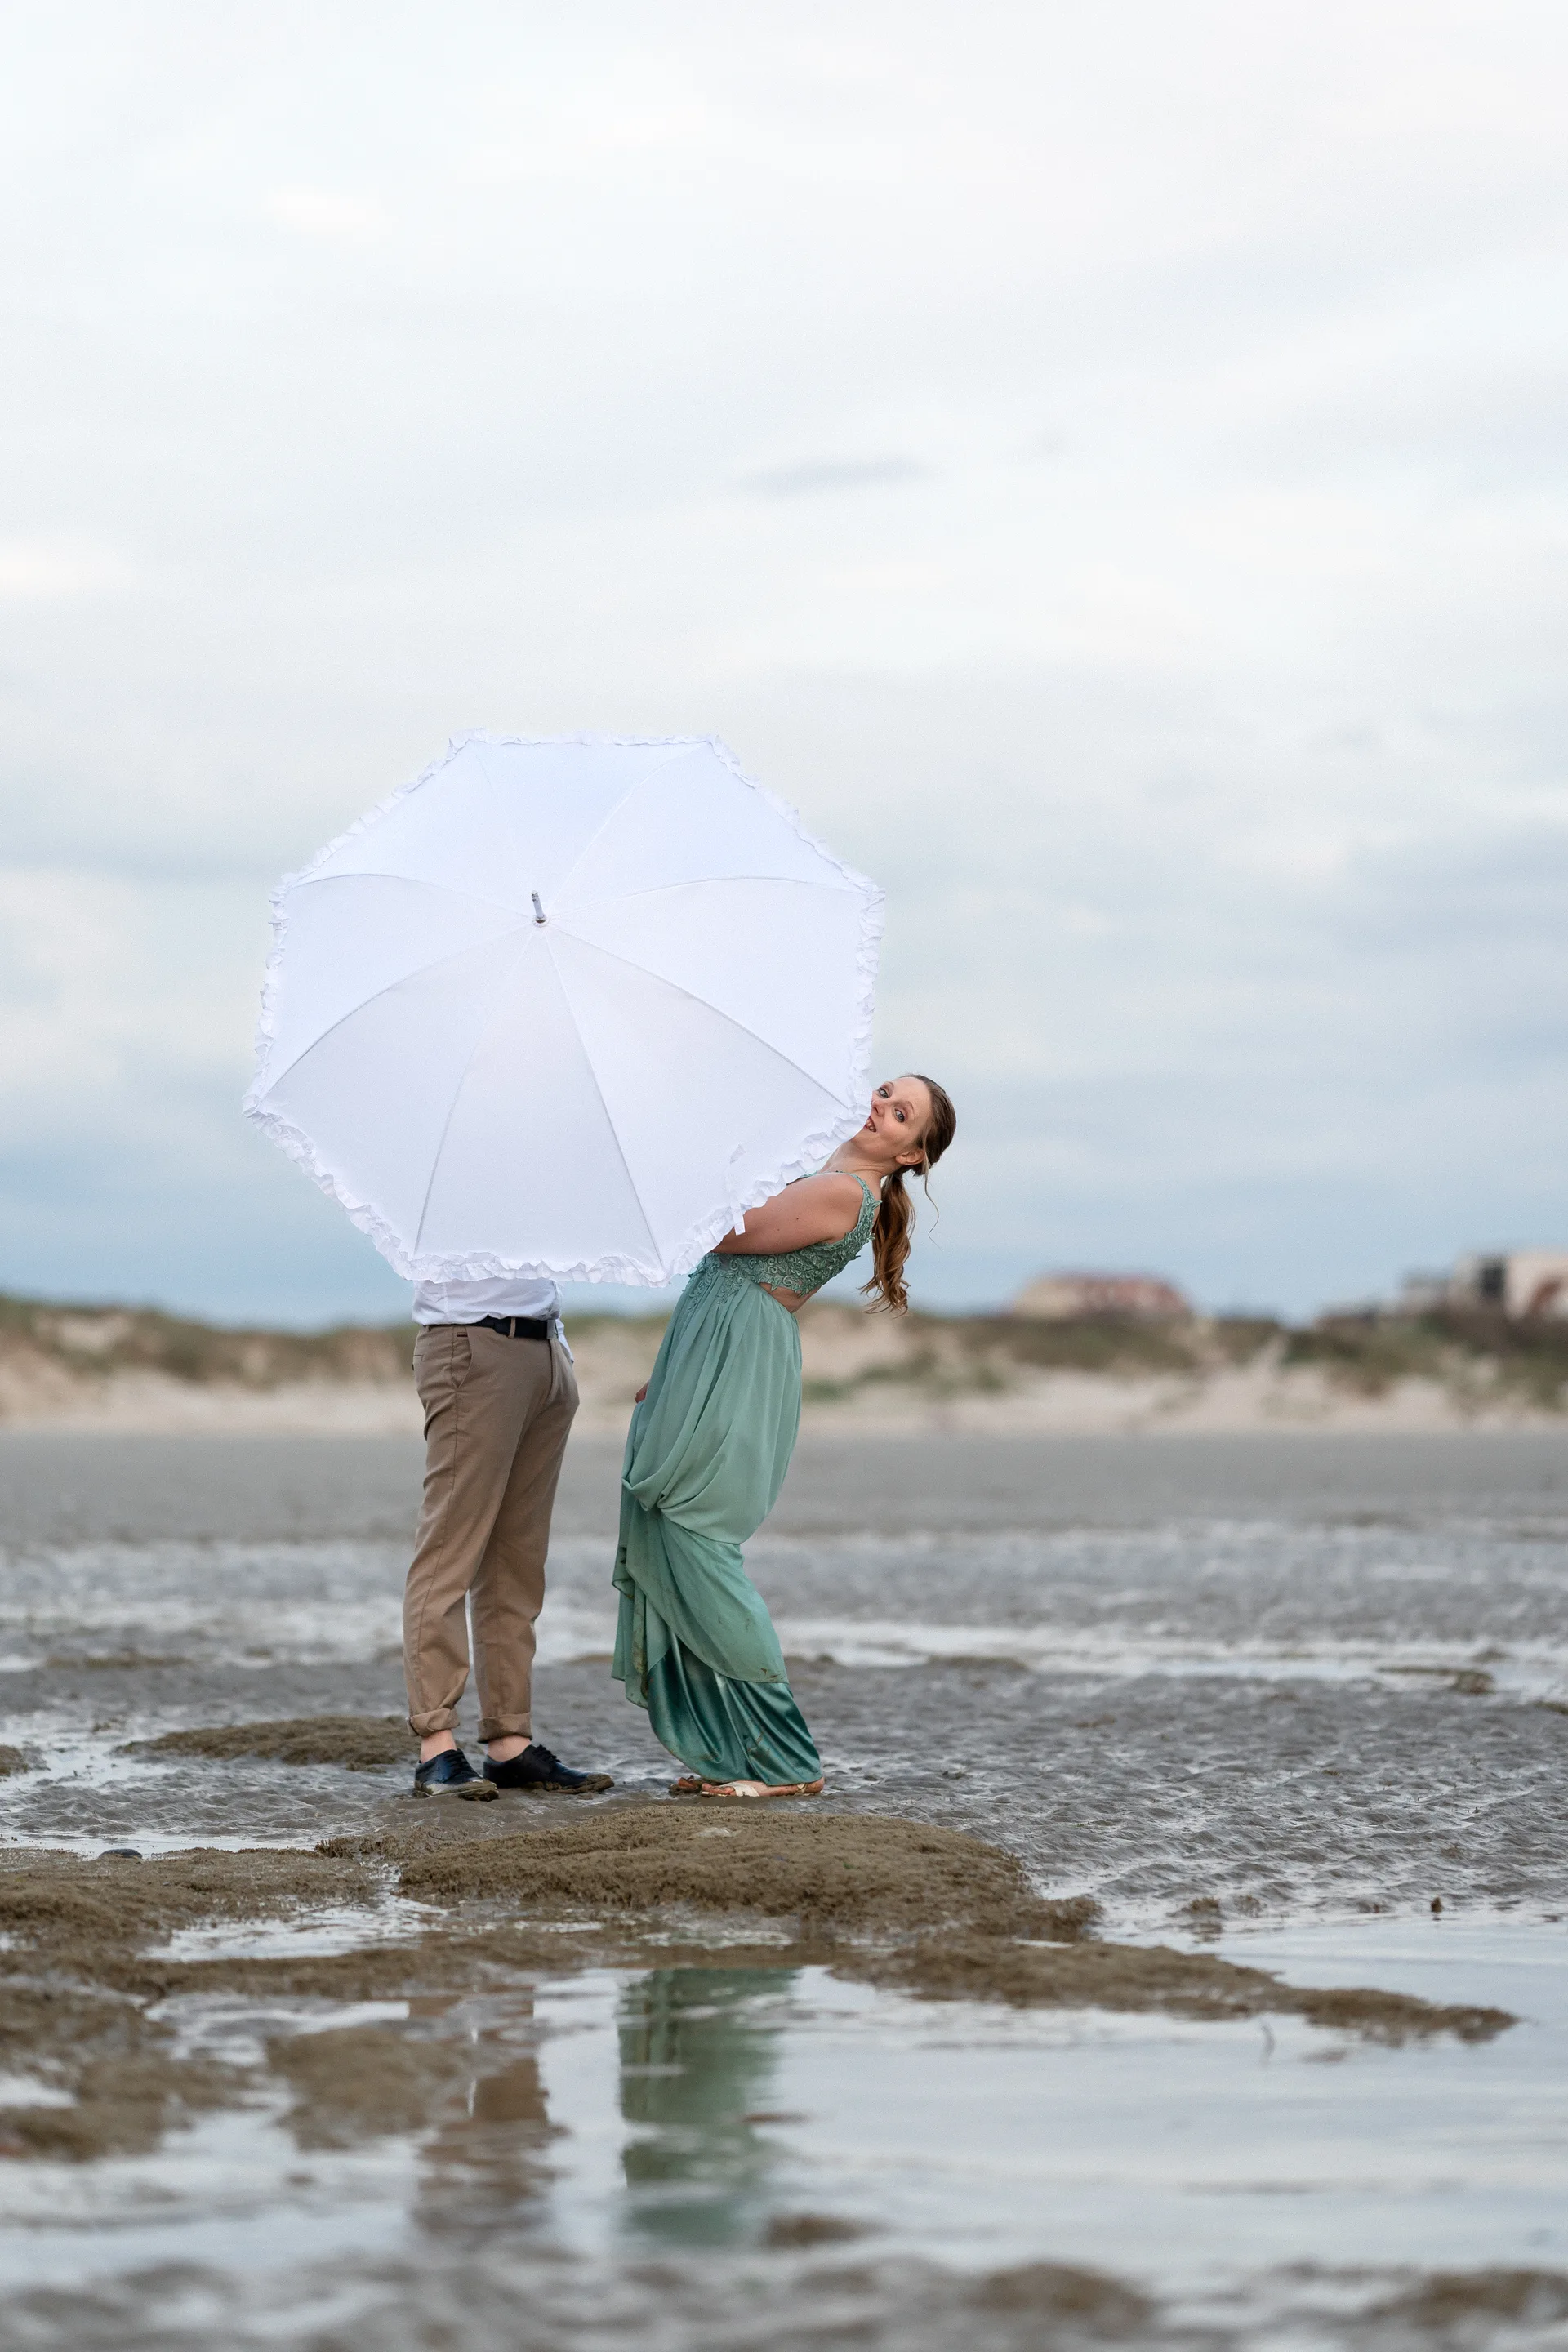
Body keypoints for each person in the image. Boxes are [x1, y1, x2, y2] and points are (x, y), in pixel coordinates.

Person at [612, 1074, 957, 1797]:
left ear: (912, 1156)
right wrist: (675, 1364)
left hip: (737, 1363)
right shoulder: (821, 1175)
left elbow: (723, 1233)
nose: (879, 1107)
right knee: (675, 1539)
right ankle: (728, 1753)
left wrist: (710, 1149)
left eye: (901, 1115)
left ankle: (787, 1761)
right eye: (885, 1091)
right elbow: (722, 1270)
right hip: (710, 1352)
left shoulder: (843, 1194)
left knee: (700, 1544)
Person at [403, 1264, 614, 1800]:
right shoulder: (445, 1180)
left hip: (544, 1348)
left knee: (517, 1560)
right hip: (473, 1341)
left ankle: (509, 1743)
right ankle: (436, 1745)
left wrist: (558, 1356)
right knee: (451, 1548)